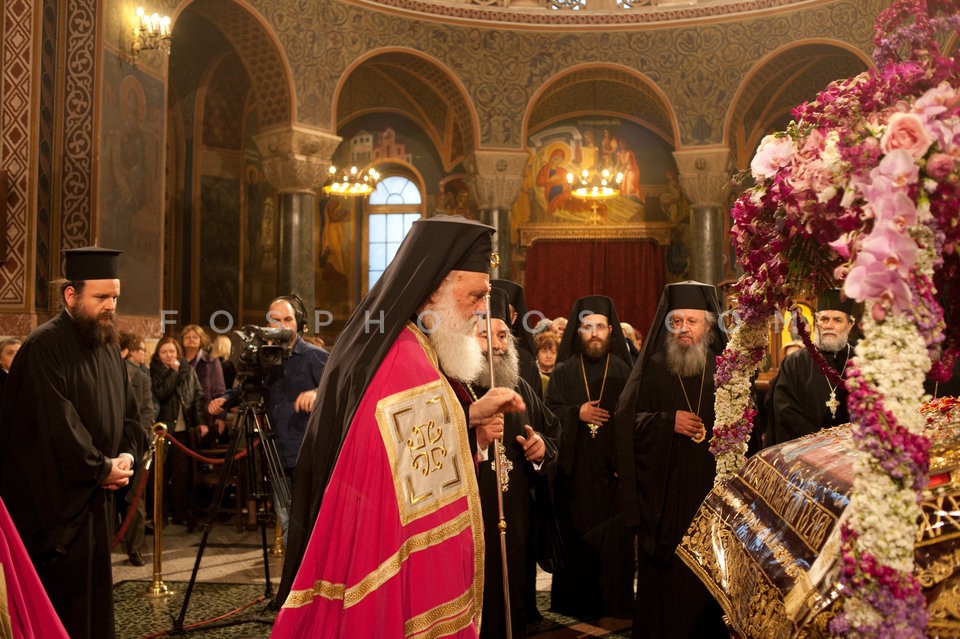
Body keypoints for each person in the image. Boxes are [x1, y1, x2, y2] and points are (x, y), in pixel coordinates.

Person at [273, 215, 525, 637]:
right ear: (433, 291)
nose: (484, 308)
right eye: (476, 295)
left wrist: (469, 418)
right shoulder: (403, 359)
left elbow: (415, 445)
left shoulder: (416, 345)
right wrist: (467, 421)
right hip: (379, 542)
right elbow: (394, 462)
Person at [0, 246, 146, 639]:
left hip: (98, 501)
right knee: (65, 612)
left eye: (115, 297)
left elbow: (132, 415)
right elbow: (54, 427)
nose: (111, 306)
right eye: (101, 297)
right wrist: (101, 468)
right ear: (71, 294)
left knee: (95, 610)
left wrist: (126, 457)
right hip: (59, 513)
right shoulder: (43, 347)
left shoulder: (106, 343)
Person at [614, 281, 736, 638]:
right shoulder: (653, 368)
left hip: (711, 492)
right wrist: (668, 422)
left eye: (691, 322)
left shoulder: (727, 372)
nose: (683, 329)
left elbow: (749, 425)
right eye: (676, 321)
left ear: (708, 327)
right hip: (665, 498)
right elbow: (626, 422)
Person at [463, 288, 560, 638]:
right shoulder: (455, 388)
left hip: (517, 519)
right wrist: (476, 439)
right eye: (485, 336)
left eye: (503, 336)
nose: (497, 345)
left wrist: (541, 449)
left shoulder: (518, 386)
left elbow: (552, 431)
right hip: (471, 521)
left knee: (514, 596)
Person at [208, 293, 328, 538]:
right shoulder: (265, 358)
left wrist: (317, 393)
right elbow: (246, 387)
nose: (281, 326)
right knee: (287, 525)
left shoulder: (315, 356)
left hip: (309, 455)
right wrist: (225, 399)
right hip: (277, 455)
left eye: (287, 320)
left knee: (313, 527)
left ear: (299, 323)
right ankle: (291, 565)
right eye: (275, 320)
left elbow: (342, 388)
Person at [546, 295, 634, 619]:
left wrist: (625, 465)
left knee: (614, 542)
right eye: (587, 327)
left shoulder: (625, 371)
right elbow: (548, 417)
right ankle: (575, 603)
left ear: (611, 330)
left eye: (600, 327)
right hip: (576, 476)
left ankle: (615, 602)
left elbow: (635, 421)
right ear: (578, 331)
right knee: (576, 538)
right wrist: (576, 413)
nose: (594, 333)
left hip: (613, 476)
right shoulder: (563, 372)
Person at [768, 290, 857, 445]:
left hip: (851, 449)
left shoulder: (861, 362)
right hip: (804, 448)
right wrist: (819, 441)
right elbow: (785, 408)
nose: (829, 326)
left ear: (849, 326)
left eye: (837, 320)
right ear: (816, 323)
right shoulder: (794, 362)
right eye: (824, 319)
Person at [150, 335, 206, 529]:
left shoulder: (187, 369)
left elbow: (197, 395)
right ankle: (161, 515)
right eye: (164, 352)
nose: (168, 355)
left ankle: (180, 514)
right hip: (164, 430)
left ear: (178, 352)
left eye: (172, 351)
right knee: (161, 474)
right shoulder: (154, 371)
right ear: (158, 355)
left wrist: (201, 422)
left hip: (183, 429)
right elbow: (161, 393)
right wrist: (173, 373)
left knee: (183, 474)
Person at [118, 332, 156, 566]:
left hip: (134, 443)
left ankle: (134, 547)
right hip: (107, 445)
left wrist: (137, 439)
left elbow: (147, 412)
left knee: (135, 500)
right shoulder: (101, 373)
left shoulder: (141, 378)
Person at [492, 279, 541, 393]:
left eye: (504, 312)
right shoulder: (470, 355)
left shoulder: (526, 360)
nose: (497, 317)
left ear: (513, 318)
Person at [180, 324, 225, 443]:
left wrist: (220, 417)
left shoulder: (211, 362)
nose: (191, 340)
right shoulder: (178, 361)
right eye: (187, 337)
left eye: (195, 337)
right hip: (183, 416)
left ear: (201, 340)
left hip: (206, 414)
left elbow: (219, 391)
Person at [534, 330, 559, 397]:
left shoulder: (560, 375)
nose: (549, 356)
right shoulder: (531, 373)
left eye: (553, 352)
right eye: (544, 351)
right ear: (537, 353)